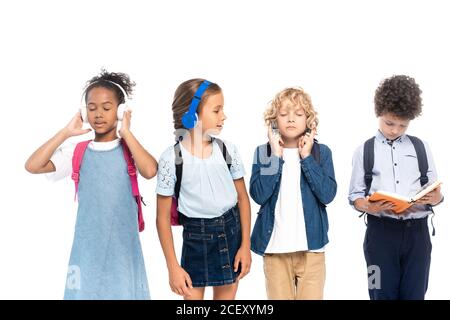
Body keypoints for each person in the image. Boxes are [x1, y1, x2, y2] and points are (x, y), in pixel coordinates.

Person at [25, 69, 157, 299]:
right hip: (87, 250)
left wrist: (126, 132)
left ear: (120, 111)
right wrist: (66, 132)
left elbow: (150, 170)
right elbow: (33, 165)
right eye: (92, 108)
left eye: (107, 108)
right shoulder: (77, 152)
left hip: (123, 251)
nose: (98, 114)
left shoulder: (130, 150)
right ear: (84, 112)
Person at [348, 75, 444, 300]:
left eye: (403, 125)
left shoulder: (421, 147)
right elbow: (354, 195)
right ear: (379, 112)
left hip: (418, 236)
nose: (394, 130)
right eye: (389, 123)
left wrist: (435, 198)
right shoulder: (365, 150)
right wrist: (367, 206)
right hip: (379, 235)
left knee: (415, 294)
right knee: (379, 291)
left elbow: (436, 192)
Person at [155, 78, 251, 300]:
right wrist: (173, 267)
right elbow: (161, 220)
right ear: (192, 115)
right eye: (217, 110)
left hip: (231, 234)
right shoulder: (171, 159)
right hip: (196, 240)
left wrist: (245, 246)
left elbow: (243, 200)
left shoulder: (228, 150)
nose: (223, 116)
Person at [250, 87, 337, 299]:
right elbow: (259, 195)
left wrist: (306, 157)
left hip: (311, 250)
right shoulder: (265, 152)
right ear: (273, 121)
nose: (291, 119)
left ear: (308, 120)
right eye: (283, 114)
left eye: (298, 114)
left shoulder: (320, 152)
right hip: (275, 250)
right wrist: (276, 156)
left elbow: (327, 195)